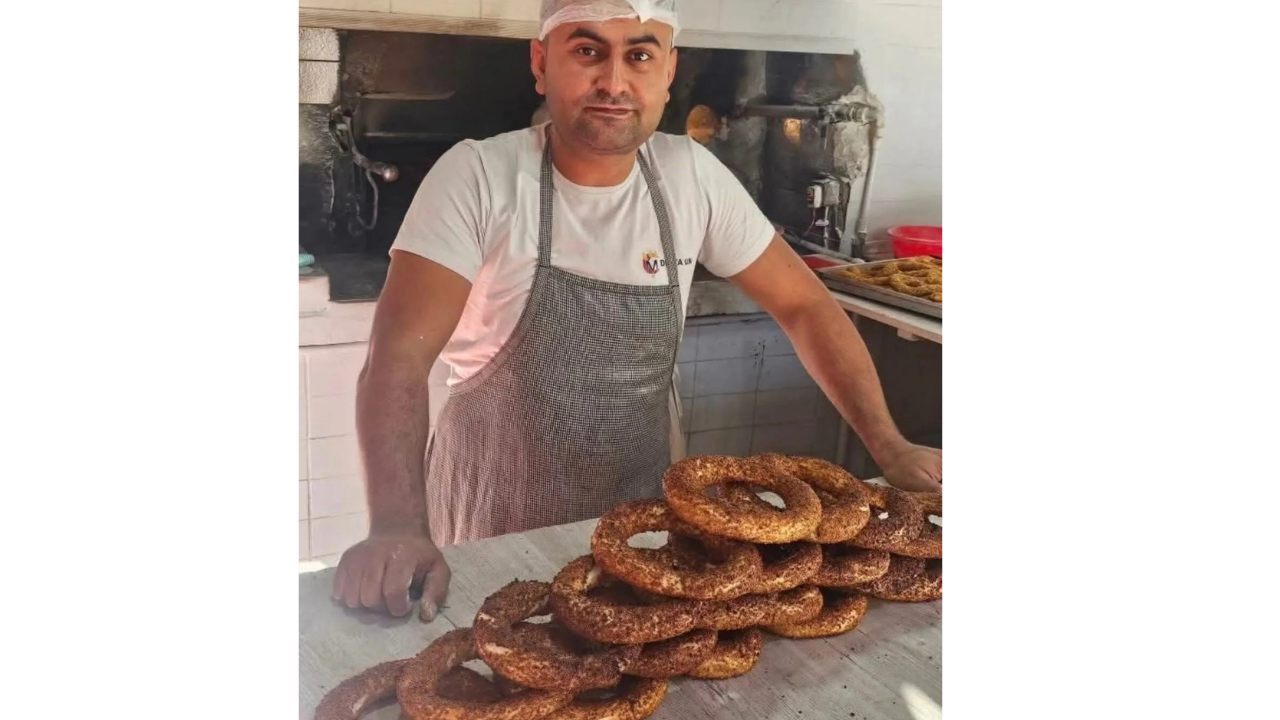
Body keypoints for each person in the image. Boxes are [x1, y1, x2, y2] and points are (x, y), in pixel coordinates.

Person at [331, 0, 942, 621]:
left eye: (640, 55)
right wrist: (396, 527)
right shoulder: (479, 176)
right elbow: (397, 359)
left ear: (668, 70)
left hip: (644, 528)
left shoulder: (690, 177)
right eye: (588, 51)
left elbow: (807, 305)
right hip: (495, 521)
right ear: (542, 64)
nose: (615, 82)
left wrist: (888, 445)